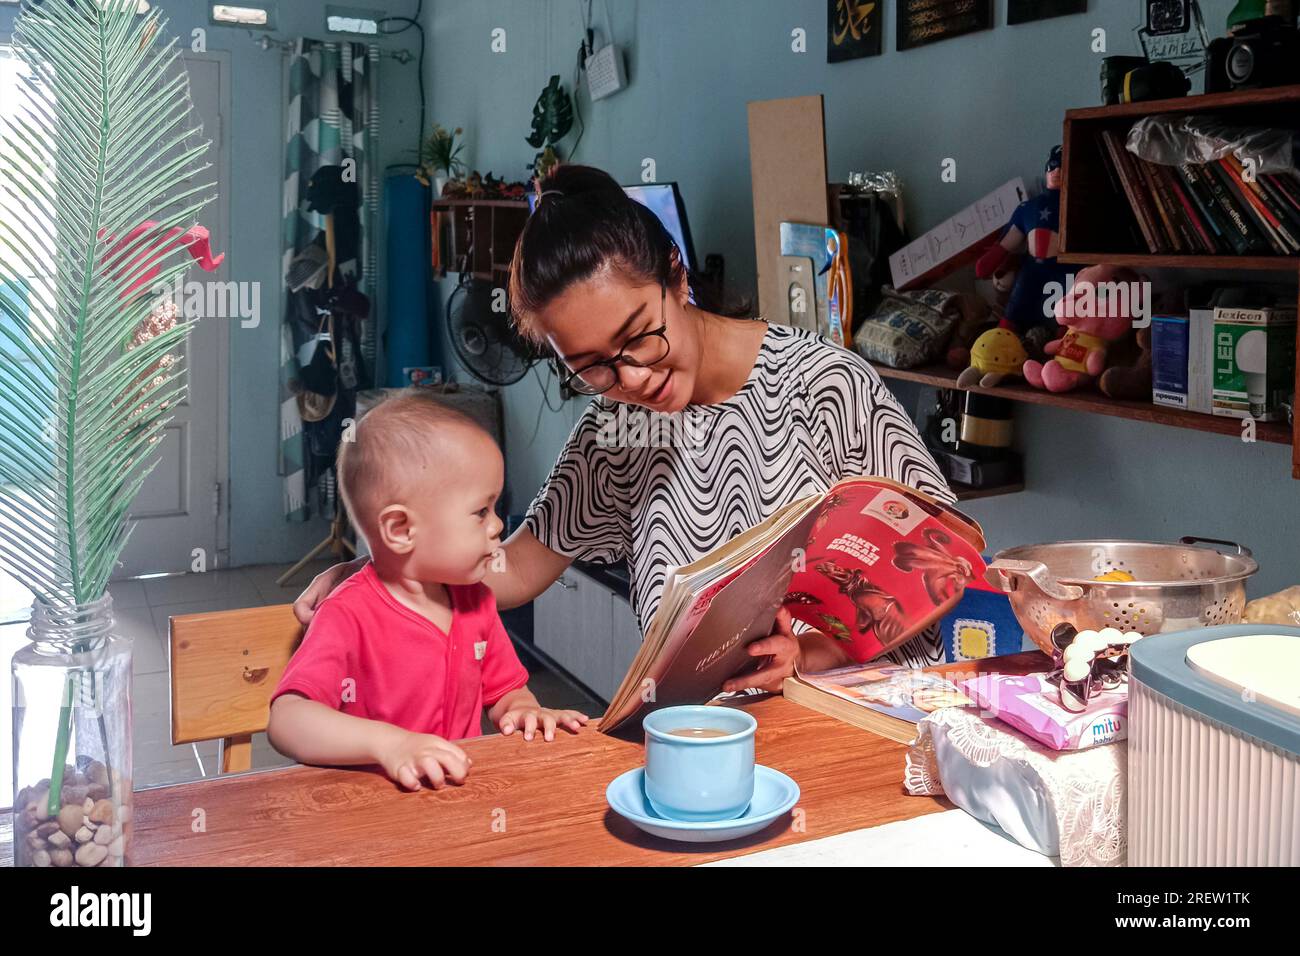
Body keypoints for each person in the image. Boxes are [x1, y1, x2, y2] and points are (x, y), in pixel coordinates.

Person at [294, 164, 955, 693]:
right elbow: (518, 566)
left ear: (675, 273)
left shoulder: (821, 386)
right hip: (706, 744)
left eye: (638, 337)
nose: (631, 379)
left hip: (856, 724)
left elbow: (944, 559)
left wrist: (813, 651)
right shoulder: (617, 430)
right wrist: (384, 569)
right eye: (592, 367)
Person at [269, 392, 587, 790]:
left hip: (453, 801)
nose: (498, 527)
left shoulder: (475, 602)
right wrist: (390, 744)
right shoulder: (347, 614)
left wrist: (524, 711)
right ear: (401, 529)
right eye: (481, 512)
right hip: (374, 814)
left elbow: (506, 691)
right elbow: (287, 719)